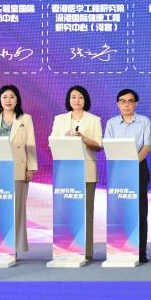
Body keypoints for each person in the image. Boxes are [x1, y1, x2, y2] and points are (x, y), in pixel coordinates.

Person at [50, 85, 103, 260]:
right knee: (66, 212)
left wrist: (83, 138)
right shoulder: (59, 119)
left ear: (85, 100)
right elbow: (51, 143)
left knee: (86, 212)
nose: (77, 100)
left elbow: (99, 146)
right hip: (65, 170)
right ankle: (65, 250)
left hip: (86, 169)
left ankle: (86, 252)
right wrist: (64, 138)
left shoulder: (94, 120)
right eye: (73, 97)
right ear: (68, 100)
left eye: (80, 97)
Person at [0, 84, 37, 253]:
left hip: (18, 168)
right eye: (5, 97)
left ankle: (16, 246)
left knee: (17, 208)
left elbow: (30, 145)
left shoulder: (25, 119)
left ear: (17, 100)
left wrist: (31, 168)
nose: (8, 100)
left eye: (12, 97)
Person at [104, 88, 151, 263]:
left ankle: (140, 251)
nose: (126, 104)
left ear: (136, 104)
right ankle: (118, 249)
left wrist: (133, 164)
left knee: (140, 210)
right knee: (118, 210)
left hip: (139, 168)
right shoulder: (111, 123)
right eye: (123, 101)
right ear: (118, 104)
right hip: (117, 170)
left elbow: (148, 145)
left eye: (130, 101)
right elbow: (108, 146)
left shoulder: (144, 121)